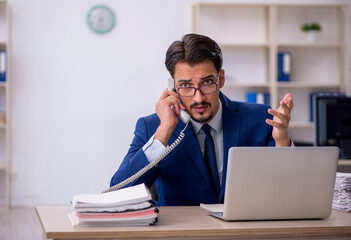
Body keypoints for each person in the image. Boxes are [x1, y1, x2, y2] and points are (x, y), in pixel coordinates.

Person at [110, 33, 293, 206]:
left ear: (221, 79)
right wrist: (163, 133)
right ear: (173, 87)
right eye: (186, 86)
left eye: (207, 83)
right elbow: (118, 192)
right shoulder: (152, 127)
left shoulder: (262, 119)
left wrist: (282, 142)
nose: (198, 98)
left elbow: (287, 188)